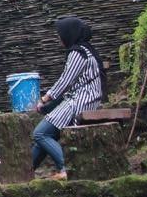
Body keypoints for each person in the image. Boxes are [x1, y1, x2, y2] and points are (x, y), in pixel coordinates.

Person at [32, 17, 106, 181]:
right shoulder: (85, 50)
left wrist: (44, 99)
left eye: (60, 34)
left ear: (68, 34)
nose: (59, 39)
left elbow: (65, 80)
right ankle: (26, 172)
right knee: (43, 139)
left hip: (81, 100)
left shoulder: (77, 53)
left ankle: (65, 169)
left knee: (40, 133)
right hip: (84, 98)